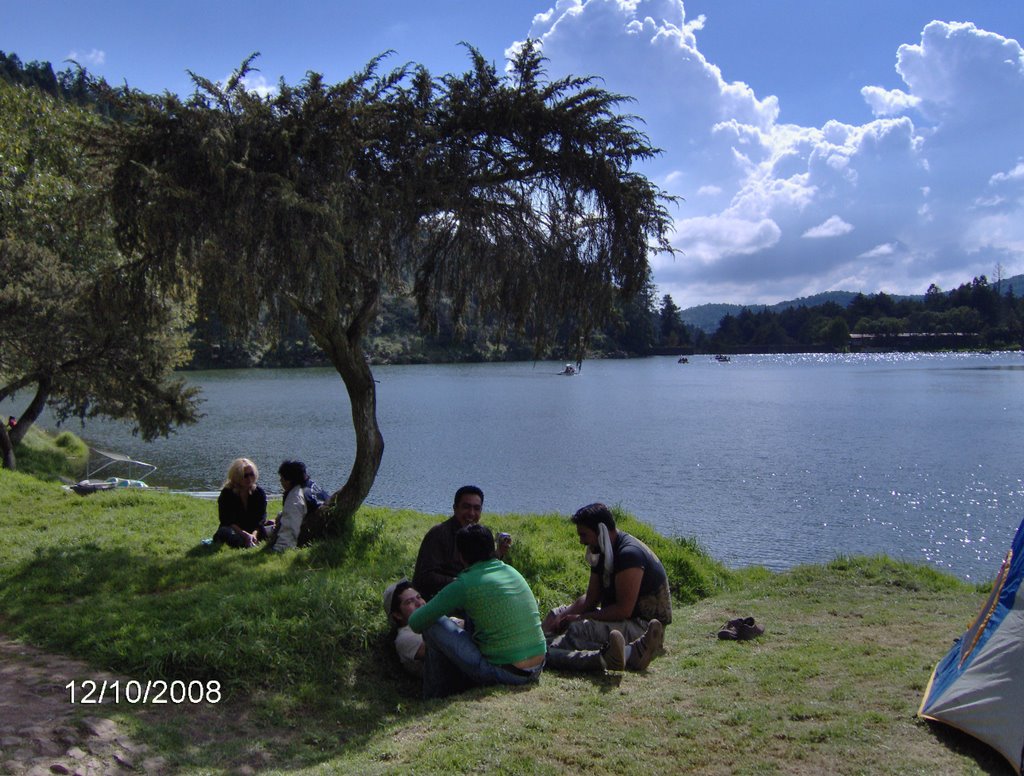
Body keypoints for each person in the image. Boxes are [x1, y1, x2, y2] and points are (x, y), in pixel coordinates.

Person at [408, 524, 546, 698]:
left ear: (460, 555)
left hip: (506, 673)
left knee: (433, 624)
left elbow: (416, 622)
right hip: (537, 668)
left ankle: (434, 695)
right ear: (491, 549)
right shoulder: (511, 571)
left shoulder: (465, 584)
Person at [544, 503, 671, 672]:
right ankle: (545, 642)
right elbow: (591, 598)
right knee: (556, 614)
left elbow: (623, 610)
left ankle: (547, 650)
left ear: (601, 529)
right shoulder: (601, 549)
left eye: (584, 535)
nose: (581, 541)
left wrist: (580, 618)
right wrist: (564, 616)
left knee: (577, 628)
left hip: (641, 625)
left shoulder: (629, 555)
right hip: (623, 619)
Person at [412, 486, 511, 600]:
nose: (471, 513)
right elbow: (424, 578)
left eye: (476, 508)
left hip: (470, 598)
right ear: (455, 508)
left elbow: (484, 567)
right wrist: (460, 583)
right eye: (466, 507)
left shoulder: (479, 535)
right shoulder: (438, 534)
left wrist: (499, 553)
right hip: (438, 600)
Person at [383, 579, 465, 678]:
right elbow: (443, 646)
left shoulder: (434, 620)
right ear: (397, 615)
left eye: (419, 597)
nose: (419, 603)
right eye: (409, 602)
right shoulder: (405, 637)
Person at [213, 458, 269, 548]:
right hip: (234, 529)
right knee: (227, 533)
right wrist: (245, 534)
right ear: (237, 477)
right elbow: (227, 520)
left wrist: (253, 535)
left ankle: (251, 541)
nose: (249, 478)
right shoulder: (227, 493)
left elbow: (260, 519)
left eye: (251, 474)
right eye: (245, 475)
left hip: (253, 530)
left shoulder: (259, 493)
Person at [271, 459, 323, 552]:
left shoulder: (295, 497)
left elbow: (290, 526)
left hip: (313, 533)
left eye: (282, 478)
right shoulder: (313, 487)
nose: (280, 481)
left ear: (289, 480)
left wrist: (280, 548)